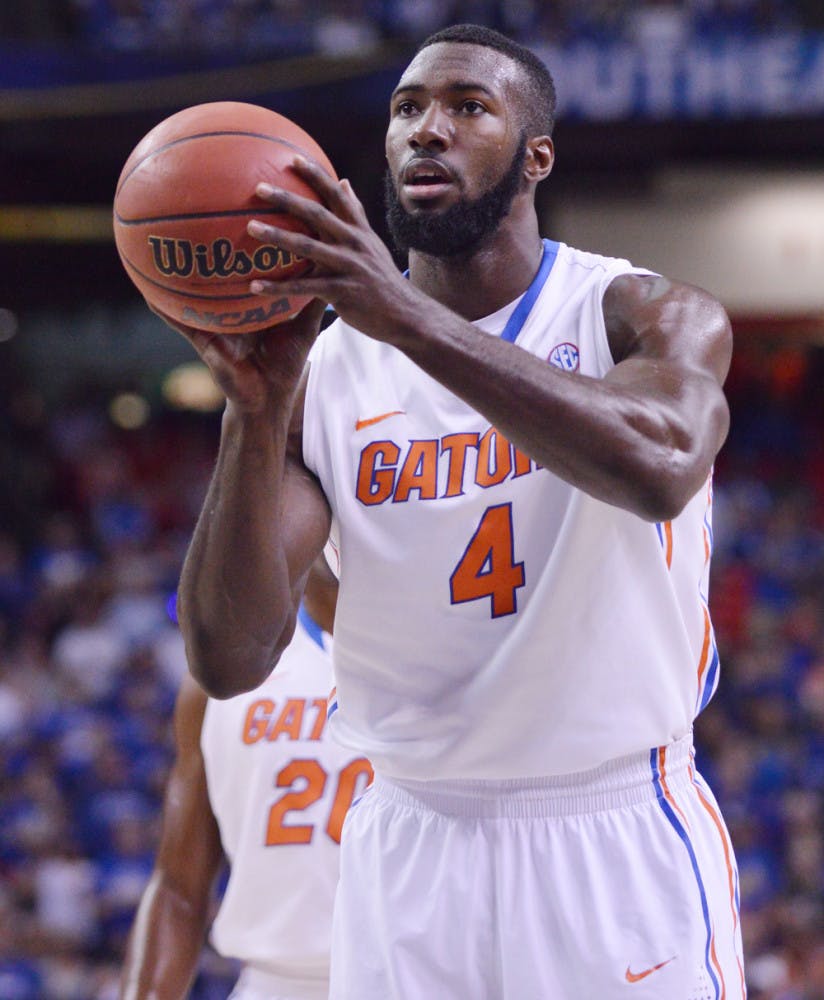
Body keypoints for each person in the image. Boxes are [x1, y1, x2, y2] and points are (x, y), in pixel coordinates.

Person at [162, 22, 745, 999]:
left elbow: (660, 463)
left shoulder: (637, 312)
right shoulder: (328, 373)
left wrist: (406, 321)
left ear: (535, 156)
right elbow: (229, 654)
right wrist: (252, 415)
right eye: (406, 109)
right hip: (408, 843)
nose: (426, 129)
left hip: (608, 822)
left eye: (466, 107)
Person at [120, 559, 373, 1000]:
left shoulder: (450, 657)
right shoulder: (225, 674)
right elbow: (179, 886)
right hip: (273, 983)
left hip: (418, 975)